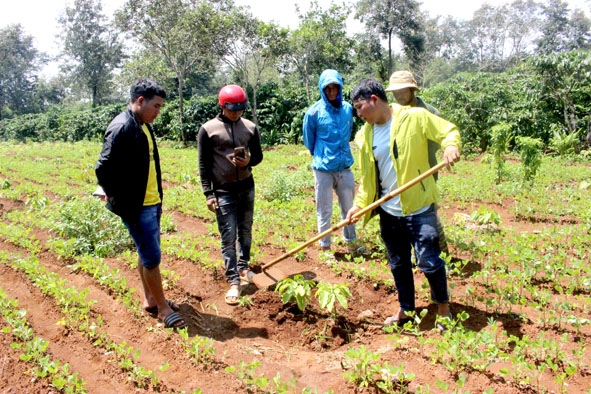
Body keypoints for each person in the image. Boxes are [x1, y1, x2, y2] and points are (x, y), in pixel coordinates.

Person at [346, 78, 461, 329]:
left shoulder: (416, 117)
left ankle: (443, 308)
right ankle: (406, 310)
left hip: (419, 206)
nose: (358, 113)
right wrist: (359, 205)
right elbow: (368, 180)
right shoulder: (364, 136)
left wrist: (451, 145)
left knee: (429, 261)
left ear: (374, 100)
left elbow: (448, 131)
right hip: (389, 211)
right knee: (398, 263)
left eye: (359, 107)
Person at [95, 78, 187, 329]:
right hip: (137, 206)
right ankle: (163, 308)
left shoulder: (143, 124)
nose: (158, 111)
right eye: (156, 106)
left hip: (151, 200)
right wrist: (114, 195)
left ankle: (150, 300)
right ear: (140, 101)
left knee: (146, 252)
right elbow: (103, 167)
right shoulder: (122, 127)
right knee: (152, 257)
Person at [198, 84, 263, 306]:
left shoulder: (250, 128)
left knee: (245, 231)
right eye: (232, 109)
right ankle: (233, 280)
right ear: (222, 106)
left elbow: (258, 156)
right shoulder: (208, 129)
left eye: (240, 109)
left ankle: (244, 268)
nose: (236, 113)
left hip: (246, 186)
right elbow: (204, 164)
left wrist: (248, 161)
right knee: (228, 236)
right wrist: (209, 193)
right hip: (223, 191)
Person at [385, 70, 448, 254]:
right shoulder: (392, 113)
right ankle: (412, 250)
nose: (398, 94)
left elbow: (438, 139)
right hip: (399, 173)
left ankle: (441, 253)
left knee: (428, 214)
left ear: (412, 90)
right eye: (395, 91)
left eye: (402, 90)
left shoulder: (429, 112)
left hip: (424, 173)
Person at [303, 69, 357, 252]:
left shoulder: (348, 109)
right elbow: (309, 140)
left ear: (340, 87)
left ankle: (351, 241)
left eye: (335, 88)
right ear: (322, 89)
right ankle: (325, 245)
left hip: (344, 167)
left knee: (349, 207)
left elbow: (348, 133)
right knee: (324, 208)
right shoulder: (313, 113)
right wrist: (321, 153)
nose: (332, 92)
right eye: (328, 89)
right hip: (323, 169)